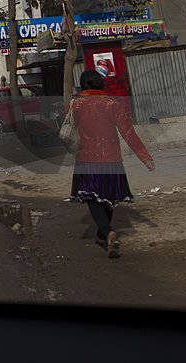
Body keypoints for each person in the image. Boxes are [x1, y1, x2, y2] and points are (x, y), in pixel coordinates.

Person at [67, 70, 155, 258]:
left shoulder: (76, 105)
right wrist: (144, 156)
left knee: (92, 198)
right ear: (100, 84)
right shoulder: (111, 104)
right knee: (108, 197)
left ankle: (107, 232)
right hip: (112, 159)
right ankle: (103, 234)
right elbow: (128, 132)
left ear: (83, 85)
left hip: (87, 159)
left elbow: (69, 131)